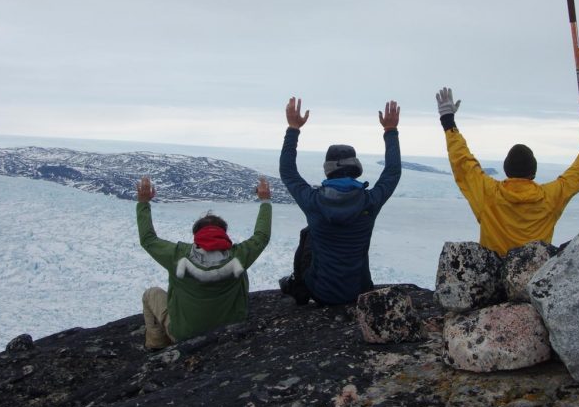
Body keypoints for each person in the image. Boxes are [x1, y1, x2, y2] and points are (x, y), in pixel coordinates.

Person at [435, 86, 579, 256]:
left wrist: (448, 121)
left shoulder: (489, 193)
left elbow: (463, 163)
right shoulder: (550, 197)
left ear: (506, 170)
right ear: (533, 172)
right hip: (533, 278)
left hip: (492, 278)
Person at [278, 97, 401, 305]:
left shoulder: (313, 202)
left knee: (309, 233)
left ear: (328, 169)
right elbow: (392, 173)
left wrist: (293, 129)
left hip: (320, 292)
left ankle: (297, 284)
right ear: (355, 169)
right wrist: (390, 131)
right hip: (358, 292)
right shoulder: (369, 202)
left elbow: (288, 172)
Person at [136, 175, 272, 349]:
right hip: (229, 332)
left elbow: (148, 239)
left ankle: (157, 346)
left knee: (151, 294)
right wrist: (265, 201)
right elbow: (262, 236)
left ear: (197, 235)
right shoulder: (239, 257)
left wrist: (143, 203)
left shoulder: (177, 257)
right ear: (223, 233)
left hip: (185, 335)